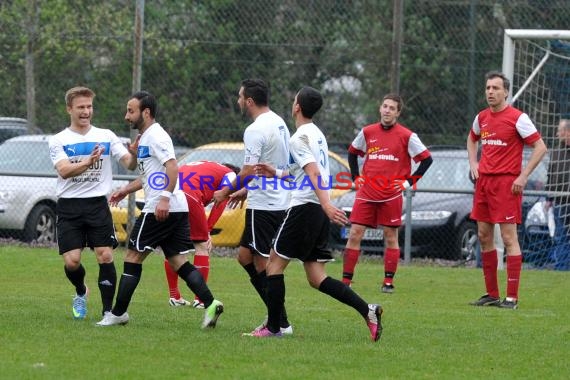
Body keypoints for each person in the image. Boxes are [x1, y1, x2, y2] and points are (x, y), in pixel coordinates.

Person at [250, 86, 383, 341]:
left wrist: (325, 205)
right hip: (316, 210)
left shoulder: (298, 137)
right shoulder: (315, 134)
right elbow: (302, 172)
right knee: (316, 277)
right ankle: (368, 310)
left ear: (297, 106)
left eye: (294, 99)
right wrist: (275, 173)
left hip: (305, 208)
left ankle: (274, 328)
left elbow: (313, 173)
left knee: (273, 266)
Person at [96, 91, 224, 327]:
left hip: (160, 207)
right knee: (178, 262)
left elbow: (173, 167)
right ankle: (211, 303)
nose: (127, 116)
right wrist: (126, 189)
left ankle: (118, 313)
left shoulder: (157, 136)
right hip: (175, 208)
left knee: (133, 257)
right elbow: (149, 176)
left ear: (146, 112)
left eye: (131, 110)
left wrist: (164, 198)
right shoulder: (146, 137)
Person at [49, 86, 138, 320]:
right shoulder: (59, 140)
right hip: (69, 207)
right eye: (81, 107)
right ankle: (80, 291)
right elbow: (64, 170)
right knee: (72, 261)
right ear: (69, 109)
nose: (86, 111)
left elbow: (129, 163)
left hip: (97, 205)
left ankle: (108, 312)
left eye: (89, 107)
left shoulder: (106, 135)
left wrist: (136, 153)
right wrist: (88, 162)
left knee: (105, 255)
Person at [213, 78, 293, 334]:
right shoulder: (279, 122)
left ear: (249, 101)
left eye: (239, 97)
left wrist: (224, 191)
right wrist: (245, 190)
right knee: (245, 256)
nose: (238, 101)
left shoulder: (255, 129)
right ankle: (278, 320)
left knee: (263, 264)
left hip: (266, 205)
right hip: (272, 199)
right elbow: (268, 166)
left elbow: (248, 168)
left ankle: (279, 324)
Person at [467, 71, 547, 309]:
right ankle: (492, 294)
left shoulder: (518, 118)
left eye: (495, 88)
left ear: (506, 92)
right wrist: (473, 163)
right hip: (484, 184)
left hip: (506, 184)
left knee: (509, 237)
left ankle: (511, 298)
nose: (490, 92)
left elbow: (540, 147)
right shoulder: (481, 117)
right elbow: (472, 140)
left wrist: (523, 176)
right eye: (488, 88)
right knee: (483, 235)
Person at [341, 94, 432, 293]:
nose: (387, 110)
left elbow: (426, 160)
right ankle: (346, 281)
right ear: (380, 109)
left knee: (391, 236)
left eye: (392, 108)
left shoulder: (407, 136)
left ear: (398, 113)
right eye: (385, 106)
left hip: (390, 195)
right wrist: (356, 177)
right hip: (366, 193)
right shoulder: (367, 132)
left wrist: (409, 182)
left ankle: (388, 282)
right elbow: (352, 152)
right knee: (355, 233)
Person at [165, 160, 241, 308]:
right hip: (190, 196)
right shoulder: (231, 175)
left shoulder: (206, 166)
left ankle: (174, 296)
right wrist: (208, 230)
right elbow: (221, 203)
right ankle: (200, 300)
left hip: (170, 194)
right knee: (202, 246)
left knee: (172, 247)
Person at [545, 119, 570, 270]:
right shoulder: (555, 153)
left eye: (559, 130)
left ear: (567, 132)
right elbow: (551, 176)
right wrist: (549, 198)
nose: (557, 134)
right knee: (560, 237)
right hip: (560, 202)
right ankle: (562, 268)